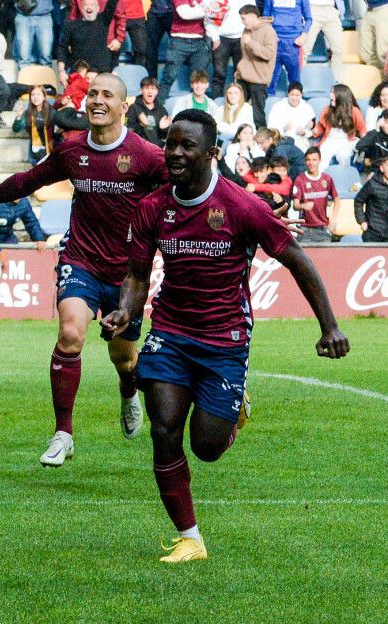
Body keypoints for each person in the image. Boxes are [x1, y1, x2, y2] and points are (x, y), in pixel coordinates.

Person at [102, 108, 349, 563]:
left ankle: (235, 410)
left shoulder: (241, 206)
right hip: (171, 332)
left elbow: (296, 258)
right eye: (170, 144)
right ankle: (190, 537)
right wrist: (124, 310)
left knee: (207, 447)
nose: (174, 153)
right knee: (164, 430)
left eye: (185, 146)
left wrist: (329, 326)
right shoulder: (153, 207)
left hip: (225, 337)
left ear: (212, 152)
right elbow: (137, 275)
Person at [0, 73, 168, 464]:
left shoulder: (147, 156)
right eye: (92, 94)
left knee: (126, 359)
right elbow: (27, 179)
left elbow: (193, 187)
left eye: (106, 95)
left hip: (127, 276)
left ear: (124, 106)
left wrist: (252, 211)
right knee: (70, 333)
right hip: (80, 259)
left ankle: (128, 391)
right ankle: (63, 433)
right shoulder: (72, 150)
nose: (96, 100)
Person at [0, 198, 49, 268]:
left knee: (14, 256)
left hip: (6, 235)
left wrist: (39, 238)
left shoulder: (24, 203)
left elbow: (31, 222)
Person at [58, 0, 126, 76]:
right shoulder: (71, 26)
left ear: (98, 8)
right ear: (81, 8)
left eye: (92, 5)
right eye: (86, 5)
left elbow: (112, 4)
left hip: (101, 74)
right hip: (79, 74)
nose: (89, 8)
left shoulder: (103, 20)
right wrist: (61, 71)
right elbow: (62, 48)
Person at [237, 4, 278, 128]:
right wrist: (239, 70)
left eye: (243, 18)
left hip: (259, 81)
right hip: (243, 78)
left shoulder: (269, 31)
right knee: (238, 114)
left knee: (258, 116)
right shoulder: (246, 30)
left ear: (252, 16)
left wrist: (250, 42)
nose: (242, 22)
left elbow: (268, 54)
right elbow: (245, 56)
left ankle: (263, 144)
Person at [354, 154, 388, 241]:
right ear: (382, 168)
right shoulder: (372, 184)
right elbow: (358, 201)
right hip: (372, 234)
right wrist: (362, 221)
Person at [263, 0, 312, 94]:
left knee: (295, 83)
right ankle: (268, 105)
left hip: (293, 43)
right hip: (274, 41)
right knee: (269, 81)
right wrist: (270, 35)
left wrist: (304, 35)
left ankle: (296, 107)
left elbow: (309, 18)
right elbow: (266, 17)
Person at [291, 146, 339, 242]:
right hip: (305, 229)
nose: (311, 163)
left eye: (314, 160)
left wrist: (333, 220)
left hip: (323, 228)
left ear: (319, 160)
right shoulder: (300, 180)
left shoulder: (327, 179)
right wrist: (303, 205)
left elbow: (337, 199)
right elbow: (295, 205)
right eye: (308, 160)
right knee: (305, 257)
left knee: (325, 257)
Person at [313, 83, 365, 166]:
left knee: (344, 156)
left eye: (333, 93)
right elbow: (321, 125)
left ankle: (345, 177)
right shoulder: (327, 110)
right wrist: (315, 131)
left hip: (346, 141)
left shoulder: (354, 111)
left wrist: (364, 138)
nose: (330, 95)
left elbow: (362, 128)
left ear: (341, 96)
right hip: (329, 141)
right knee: (322, 158)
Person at [212, 0, 254, 98]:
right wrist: (215, 37)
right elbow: (208, 17)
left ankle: (241, 105)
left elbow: (253, 15)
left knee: (241, 75)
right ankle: (216, 104)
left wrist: (249, 36)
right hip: (221, 38)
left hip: (241, 38)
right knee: (219, 75)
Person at [14, 85, 62, 164]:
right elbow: (16, 129)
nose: (35, 97)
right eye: (33, 95)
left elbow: (58, 131)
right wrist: (19, 117)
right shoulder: (27, 113)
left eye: (38, 94)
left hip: (51, 148)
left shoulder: (52, 112)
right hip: (36, 150)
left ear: (44, 97)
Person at [267, 82, 317, 148]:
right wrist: (283, 129)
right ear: (288, 94)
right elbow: (271, 127)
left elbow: (312, 130)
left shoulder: (307, 108)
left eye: (297, 95)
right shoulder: (278, 106)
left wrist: (304, 133)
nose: (294, 98)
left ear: (301, 95)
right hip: (282, 139)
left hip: (300, 141)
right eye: (292, 95)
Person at [126, 77, 171, 146]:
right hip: (140, 147)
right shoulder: (133, 108)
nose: (150, 91)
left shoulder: (161, 109)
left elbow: (164, 137)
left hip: (157, 148)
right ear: (141, 90)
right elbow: (128, 133)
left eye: (153, 88)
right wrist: (141, 125)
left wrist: (164, 129)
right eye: (146, 88)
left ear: (157, 91)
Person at [306, 0, 346, 77]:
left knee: (338, 49)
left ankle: (334, 81)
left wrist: (341, 11)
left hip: (331, 9)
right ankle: (299, 84)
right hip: (312, 7)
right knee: (305, 50)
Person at [14, 0, 55, 68]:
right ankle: (25, 78)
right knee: (23, 57)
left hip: (44, 15)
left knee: (46, 55)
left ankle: (46, 78)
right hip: (23, 15)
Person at [360, 0, 388, 69]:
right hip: (369, 9)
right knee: (367, 53)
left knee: (383, 51)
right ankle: (376, 77)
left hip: (385, 7)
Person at [145, 0, 174, 77]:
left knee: (179, 47)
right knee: (149, 49)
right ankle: (151, 82)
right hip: (153, 11)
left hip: (174, 12)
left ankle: (177, 80)